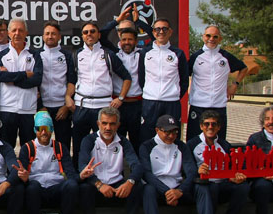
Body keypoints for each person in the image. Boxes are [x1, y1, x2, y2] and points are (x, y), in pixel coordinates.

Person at [140, 115, 225, 214]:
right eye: (167, 132)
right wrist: (166, 191)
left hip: (179, 189)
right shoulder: (146, 146)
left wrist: (180, 191)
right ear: (157, 130)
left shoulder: (181, 146)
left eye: (174, 132)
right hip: (158, 189)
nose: (171, 136)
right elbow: (147, 174)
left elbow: (191, 171)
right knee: (148, 190)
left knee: (202, 187)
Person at [77, 107, 144, 214]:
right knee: (84, 188)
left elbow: (137, 166)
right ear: (98, 124)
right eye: (104, 123)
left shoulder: (123, 142)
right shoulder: (89, 140)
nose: (108, 127)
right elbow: (82, 165)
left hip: (117, 187)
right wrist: (98, 184)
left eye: (112, 124)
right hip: (96, 186)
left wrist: (129, 182)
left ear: (118, 125)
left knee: (137, 186)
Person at [71, 20, 132, 165]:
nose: (89, 34)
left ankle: (106, 173)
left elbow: (127, 77)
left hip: (104, 107)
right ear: (82, 36)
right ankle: (78, 174)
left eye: (92, 31)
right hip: (82, 106)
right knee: (79, 145)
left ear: (99, 35)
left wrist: (120, 98)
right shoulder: (76, 55)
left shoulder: (108, 54)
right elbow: (71, 80)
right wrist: (68, 97)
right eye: (85, 32)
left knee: (105, 145)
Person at [16, 111, 77, 214]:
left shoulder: (60, 147)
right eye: (40, 129)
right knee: (32, 187)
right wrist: (24, 178)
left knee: (72, 185)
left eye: (47, 128)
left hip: (56, 187)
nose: (43, 132)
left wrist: (80, 177)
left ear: (52, 129)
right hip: (36, 189)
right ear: (35, 130)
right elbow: (22, 173)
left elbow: (70, 172)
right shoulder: (27, 148)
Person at [188, 109, 251, 214]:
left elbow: (232, 167)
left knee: (243, 187)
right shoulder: (192, 144)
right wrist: (197, 170)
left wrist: (235, 176)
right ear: (201, 126)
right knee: (211, 188)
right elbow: (186, 168)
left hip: (222, 183)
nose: (210, 127)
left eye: (214, 124)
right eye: (207, 124)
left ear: (219, 127)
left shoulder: (224, 145)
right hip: (204, 185)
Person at [186, 25, 248, 140]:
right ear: (203, 37)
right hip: (198, 105)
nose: (211, 39)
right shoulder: (195, 57)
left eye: (215, 36)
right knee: (193, 141)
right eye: (208, 36)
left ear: (220, 39)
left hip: (219, 106)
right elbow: (183, 75)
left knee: (218, 141)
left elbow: (244, 68)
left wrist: (235, 85)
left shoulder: (226, 57)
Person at [138, 18, 189, 142]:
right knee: (147, 137)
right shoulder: (145, 53)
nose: (161, 32)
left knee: (171, 138)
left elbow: (184, 80)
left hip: (171, 103)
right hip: (150, 102)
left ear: (170, 32)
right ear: (153, 32)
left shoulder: (178, 54)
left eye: (164, 29)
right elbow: (141, 77)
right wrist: (150, 91)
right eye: (157, 29)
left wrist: (174, 94)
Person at [0, 18, 43, 146]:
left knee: (29, 149)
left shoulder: (35, 55)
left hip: (28, 110)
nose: (17, 33)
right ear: (9, 33)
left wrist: (11, 78)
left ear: (26, 33)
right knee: (6, 148)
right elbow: (0, 77)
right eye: (14, 30)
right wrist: (25, 75)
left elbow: (37, 79)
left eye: (21, 30)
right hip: (7, 108)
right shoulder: (1, 55)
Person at [37, 21, 77, 154]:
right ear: (43, 36)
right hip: (43, 108)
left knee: (63, 146)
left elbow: (72, 80)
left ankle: (63, 167)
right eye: (47, 33)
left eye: (53, 34)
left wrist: (66, 106)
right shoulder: (36, 55)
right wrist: (40, 106)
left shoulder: (67, 55)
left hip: (62, 108)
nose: (50, 36)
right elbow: (34, 83)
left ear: (59, 36)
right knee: (41, 144)